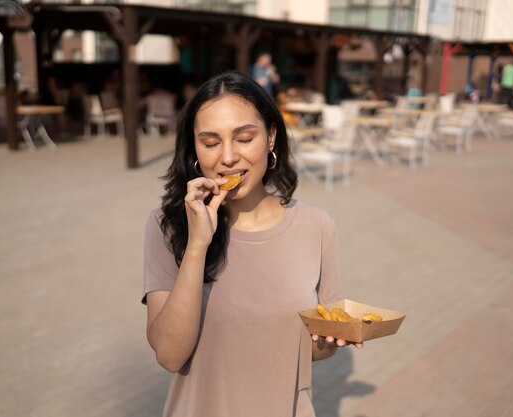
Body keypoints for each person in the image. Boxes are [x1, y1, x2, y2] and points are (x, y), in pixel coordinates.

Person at [142, 70, 362, 417]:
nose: (228, 157)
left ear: (271, 136)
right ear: (195, 148)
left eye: (244, 138)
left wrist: (327, 343)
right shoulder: (168, 225)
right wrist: (198, 245)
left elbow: (315, 350)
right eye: (211, 142)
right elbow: (169, 355)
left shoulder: (316, 225)